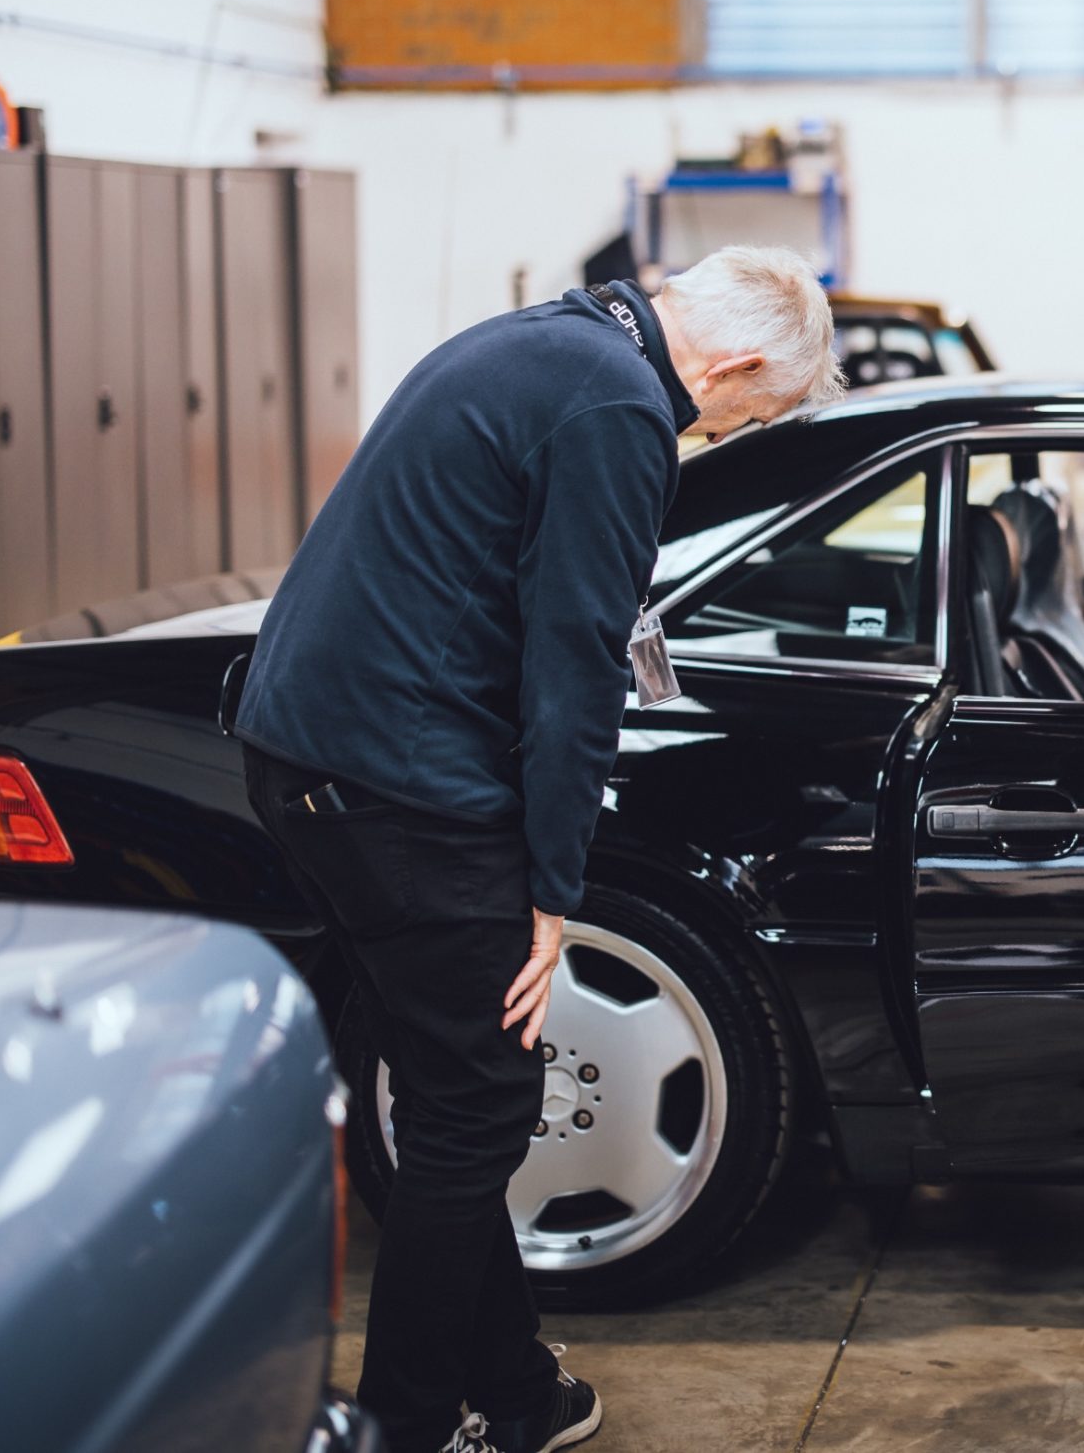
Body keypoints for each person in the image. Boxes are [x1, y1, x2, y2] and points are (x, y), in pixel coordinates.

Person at [236, 248, 840, 1453]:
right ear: (736, 363)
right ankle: (403, 1426)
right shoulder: (619, 405)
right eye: (747, 419)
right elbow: (576, 670)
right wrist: (553, 894)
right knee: (477, 1106)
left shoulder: (542, 343)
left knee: (461, 1081)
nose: (721, 437)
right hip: (394, 784)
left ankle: (514, 1389)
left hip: (311, 755)